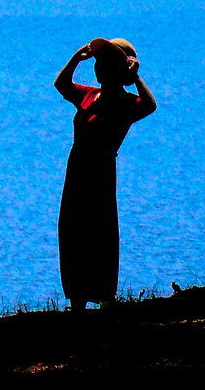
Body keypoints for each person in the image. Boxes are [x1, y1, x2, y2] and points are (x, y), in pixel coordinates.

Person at [53, 36, 157, 310]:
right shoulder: (89, 95)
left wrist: (135, 77)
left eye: (105, 63)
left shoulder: (126, 103)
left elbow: (150, 105)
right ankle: (77, 300)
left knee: (99, 232)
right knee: (72, 230)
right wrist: (77, 56)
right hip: (76, 168)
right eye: (98, 62)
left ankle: (103, 298)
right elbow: (61, 85)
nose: (98, 67)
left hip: (99, 171)